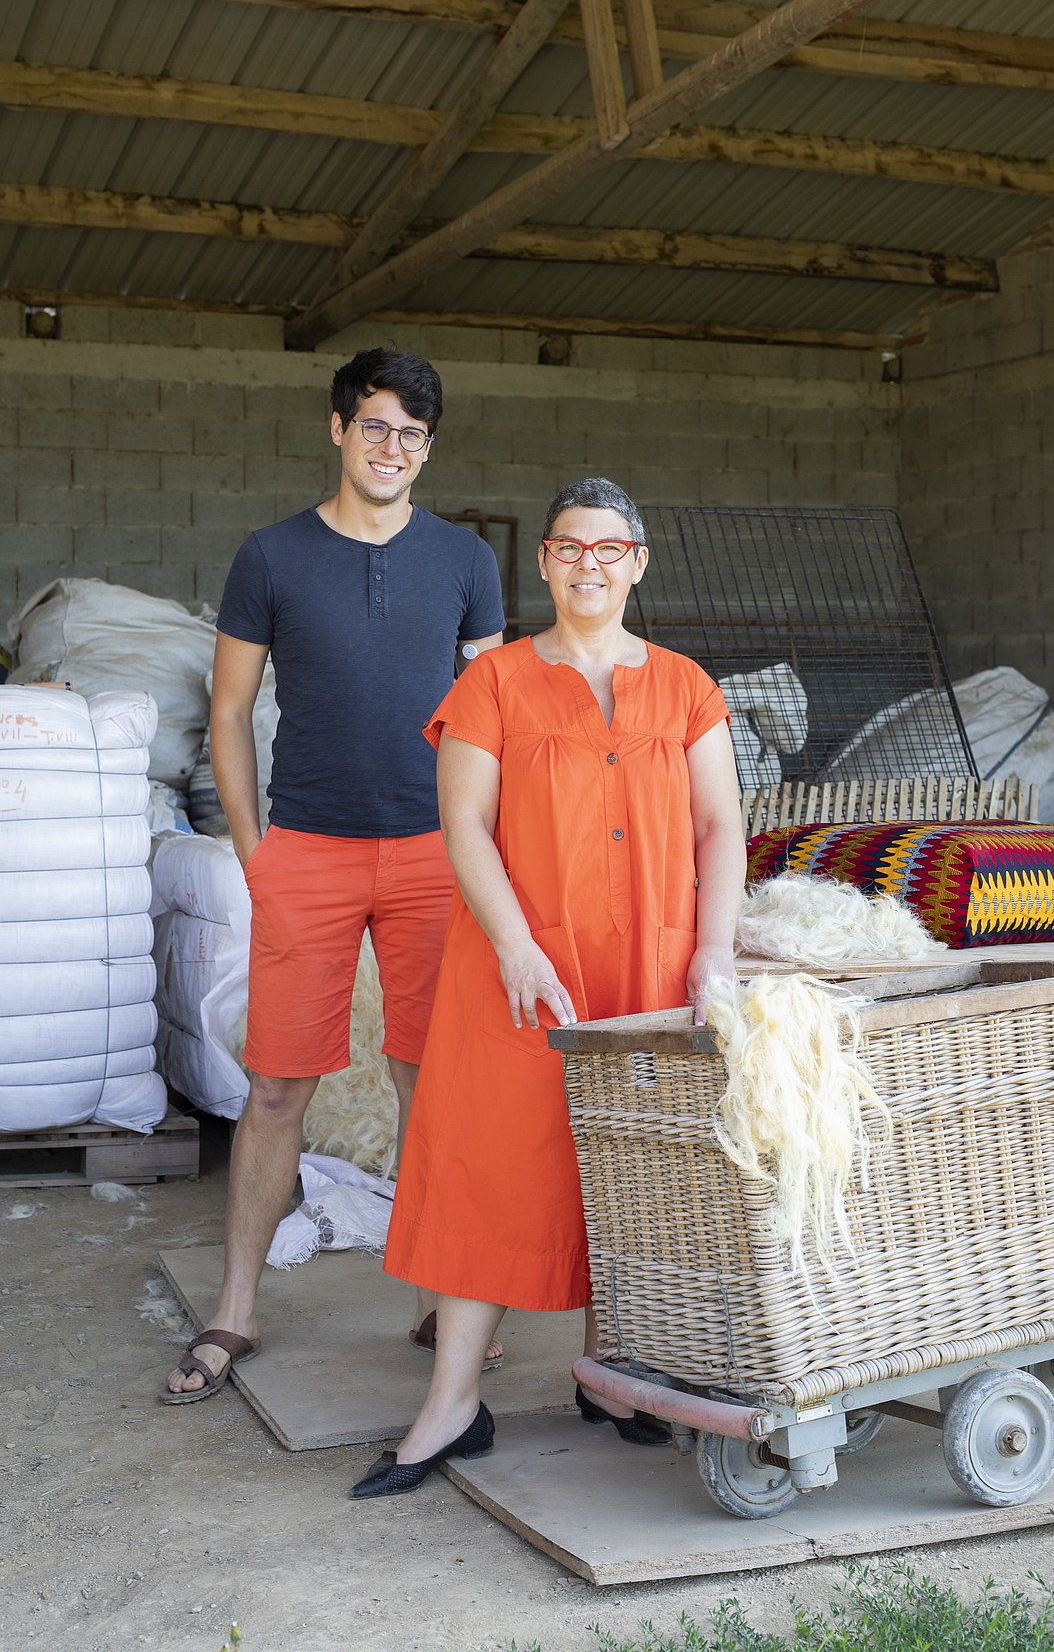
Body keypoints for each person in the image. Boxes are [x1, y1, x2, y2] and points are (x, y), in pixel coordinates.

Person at [351, 477, 744, 1496]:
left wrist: (713, 950)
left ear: (638, 563)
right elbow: (465, 826)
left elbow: (720, 829)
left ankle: (611, 1376)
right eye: (570, 548)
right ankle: (453, 1403)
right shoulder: (494, 684)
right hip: (521, 968)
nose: (588, 566)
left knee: (630, 1167)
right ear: (545, 563)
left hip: (648, 966)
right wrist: (517, 945)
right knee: (493, 1159)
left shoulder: (687, 687)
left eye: (608, 550)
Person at [162, 349, 505, 1404]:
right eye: (375, 427)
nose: (392, 448)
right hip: (306, 847)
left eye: (412, 434)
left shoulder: (463, 561)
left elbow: (494, 715)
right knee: (275, 1087)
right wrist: (254, 851)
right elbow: (228, 712)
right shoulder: (271, 555)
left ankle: (437, 1298)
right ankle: (237, 1310)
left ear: (428, 448)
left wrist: (488, 847)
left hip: (429, 853)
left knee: (428, 1082)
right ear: (337, 429)